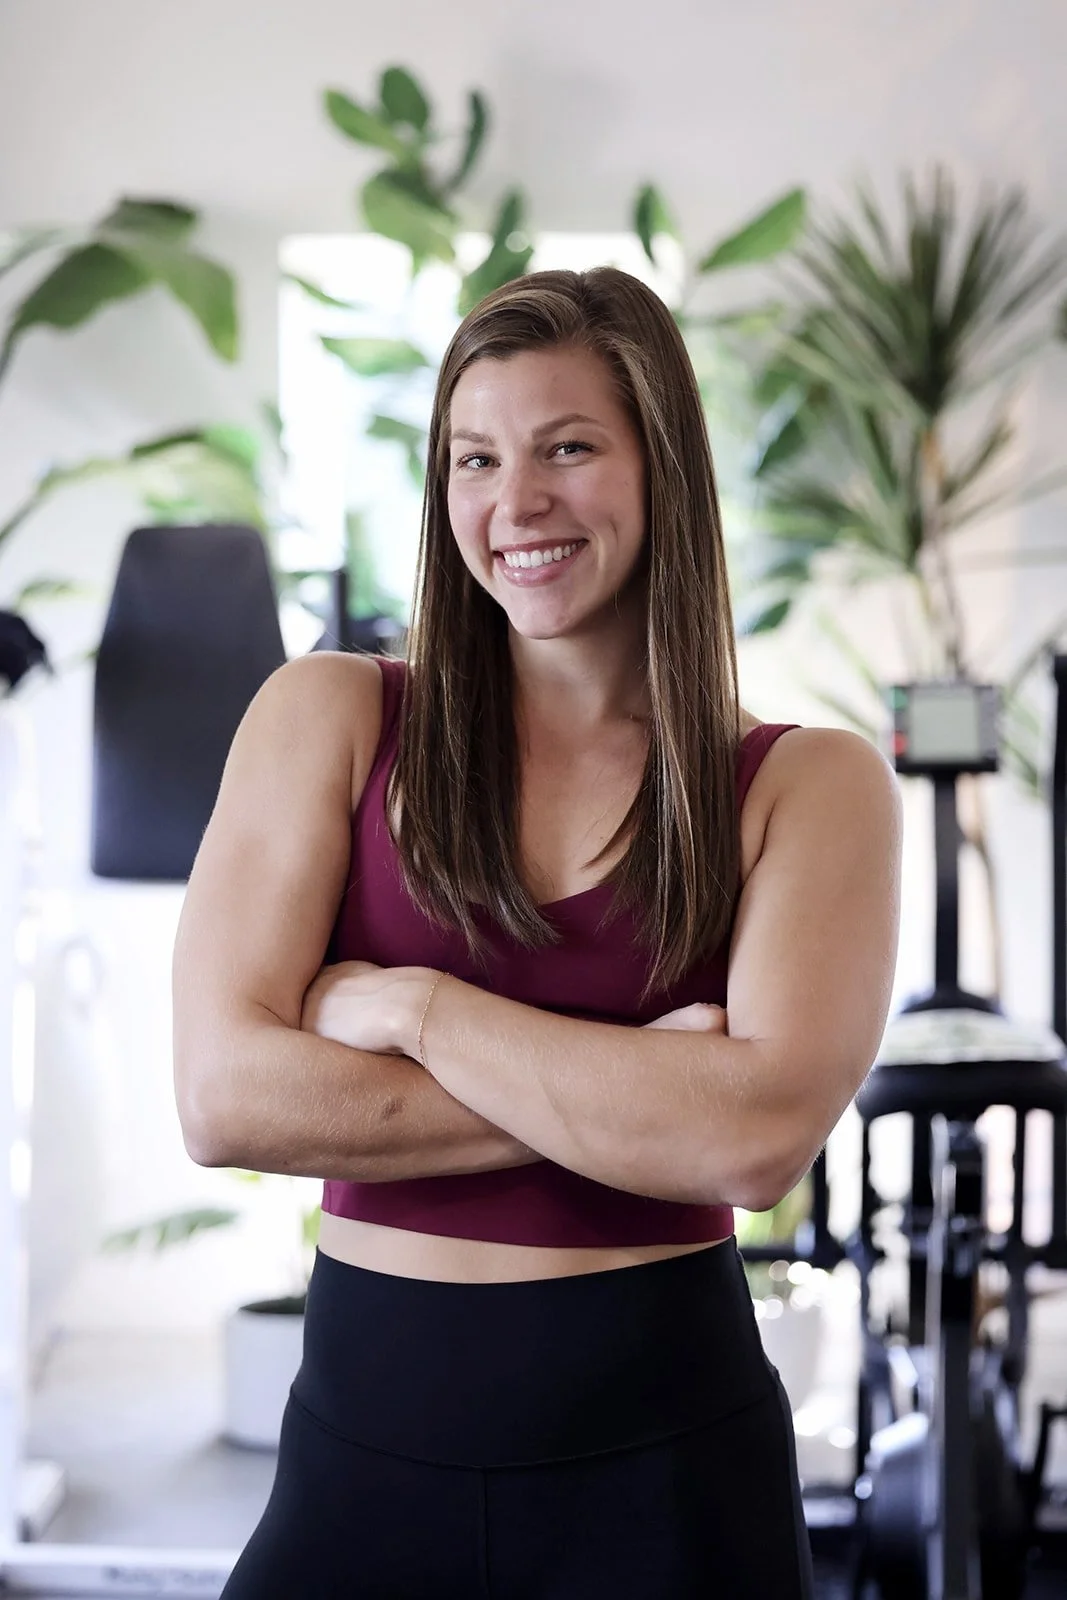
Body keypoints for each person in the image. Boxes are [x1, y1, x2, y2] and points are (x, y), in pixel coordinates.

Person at [173, 266, 902, 1598]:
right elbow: (225, 1099)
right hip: (363, 1456)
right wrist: (643, 1085)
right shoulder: (329, 718)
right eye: (474, 459)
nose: (514, 505)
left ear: (659, 467)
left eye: (568, 447)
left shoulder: (811, 786)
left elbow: (748, 1142)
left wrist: (413, 1014)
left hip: (668, 1474)